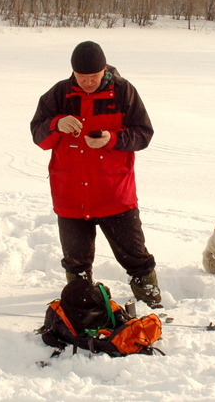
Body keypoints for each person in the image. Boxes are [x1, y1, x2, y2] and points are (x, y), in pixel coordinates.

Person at [30, 41, 162, 308]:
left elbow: (143, 134)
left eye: (94, 77)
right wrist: (57, 124)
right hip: (70, 194)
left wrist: (111, 139)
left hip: (114, 193)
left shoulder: (124, 92)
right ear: (73, 73)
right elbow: (39, 137)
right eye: (82, 77)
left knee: (135, 257)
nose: (88, 82)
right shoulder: (58, 94)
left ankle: (150, 299)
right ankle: (80, 305)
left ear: (104, 70)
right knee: (76, 261)